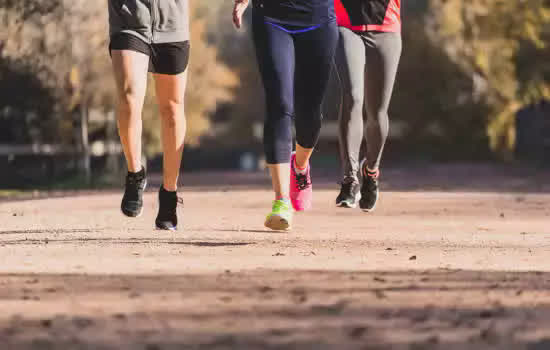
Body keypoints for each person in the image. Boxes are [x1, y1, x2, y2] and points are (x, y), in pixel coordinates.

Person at [233, 0, 339, 231]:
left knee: (310, 112)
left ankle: (299, 165)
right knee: (279, 103)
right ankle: (281, 201)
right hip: (271, 17)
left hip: (318, 19)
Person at [108, 0, 190, 230]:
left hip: (173, 23)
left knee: (172, 108)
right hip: (129, 19)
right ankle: (135, 174)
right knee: (129, 96)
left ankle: (169, 194)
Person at [333, 0, 402, 211]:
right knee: (353, 96)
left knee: (378, 112)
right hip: (345, 25)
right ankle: (349, 178)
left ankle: (371, 171)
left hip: (386, 28)